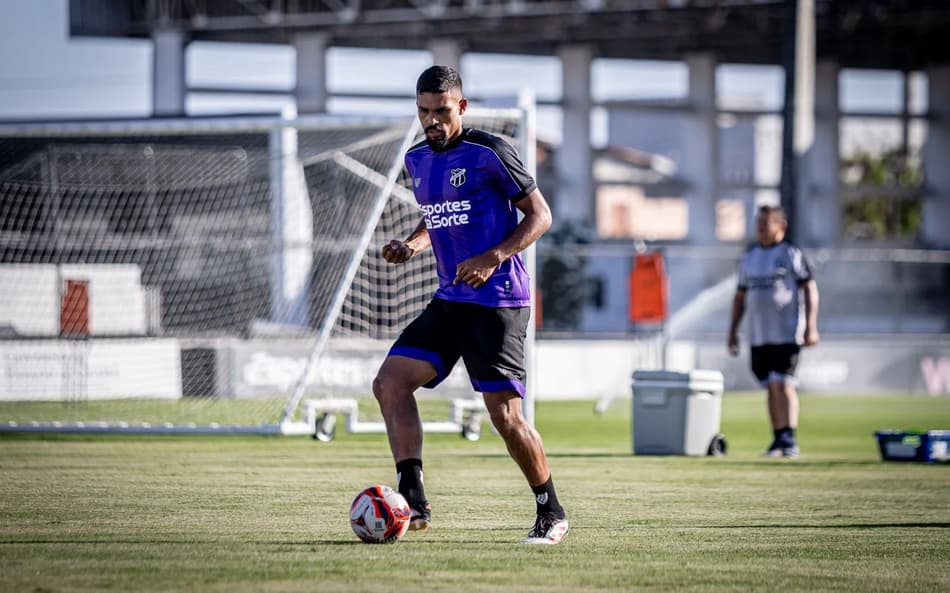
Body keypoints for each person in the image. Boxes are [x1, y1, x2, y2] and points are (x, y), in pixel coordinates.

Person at [372, 65, 569, 545]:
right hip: (450, 299)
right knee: (390, 383)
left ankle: (551, 511)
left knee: (506, 418)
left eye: (442, 111)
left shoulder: (490, 152)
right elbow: (438, 218)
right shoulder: (417, 159)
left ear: (461, 106)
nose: (432, 120)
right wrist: (411, 246)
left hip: (498, 302)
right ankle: (413, 497)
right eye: (424, 111)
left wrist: (491, 257)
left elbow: (541, 215)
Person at [727, 205, 820, 458]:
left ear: (781, 226)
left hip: (787, 333)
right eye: (758, 223)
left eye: (765, 223)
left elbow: (809, 288)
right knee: (770, 385)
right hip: (759, 334)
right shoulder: (750, 256)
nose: (760, 228)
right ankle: (778, 438)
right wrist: (733, 331)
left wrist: (811, 327)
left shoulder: (790, 253)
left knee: (784, 383)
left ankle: (790, 438)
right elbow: (740, 297)